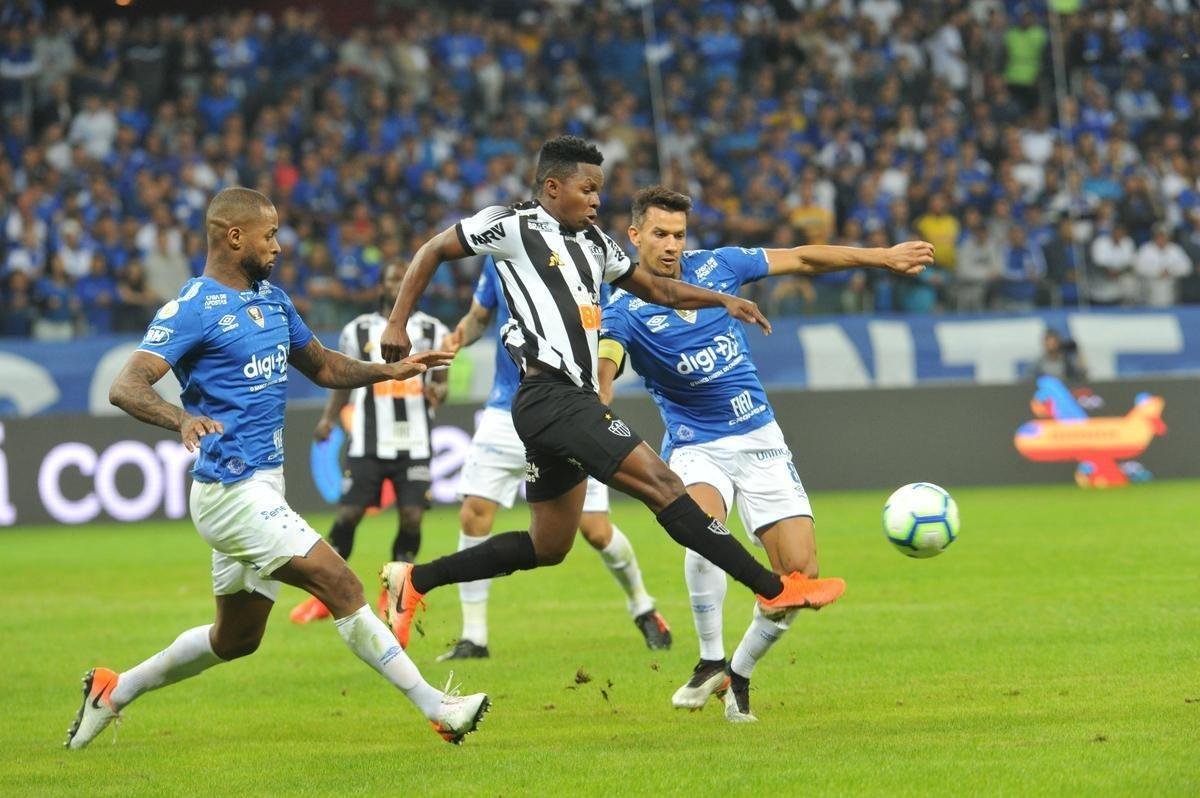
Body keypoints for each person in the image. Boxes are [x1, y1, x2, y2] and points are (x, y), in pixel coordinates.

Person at [377, 135, 846, 662]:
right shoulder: (511, 225)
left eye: (600, 189)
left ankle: (413, 580)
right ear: (553, 188)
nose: (597, 199)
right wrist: (398, 320)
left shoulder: (597, 245)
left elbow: (661, 290)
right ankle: (773, 587)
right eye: (587, 188)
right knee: (666, 486)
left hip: (560, 402)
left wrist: (724, 299)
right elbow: (433, 248)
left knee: (549, 545)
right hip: (549, 395)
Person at [65, 187, 488, 751]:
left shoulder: (273, 301)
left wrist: (393, 371)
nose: (279, 246)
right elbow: (127, 385)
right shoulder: (194, 307)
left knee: (237, 638)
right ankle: (438, 707)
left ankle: (112, 692)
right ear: (234, 237)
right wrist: (180, 419)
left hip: (265, 485)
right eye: (269, 235)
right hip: (229, 491)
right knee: (340, 580)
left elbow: (324, 367)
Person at [597, 185, 932, 723]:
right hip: (694, 442)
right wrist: (601, 395)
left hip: (759, 439)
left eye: (678, 234)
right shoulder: (621, 305)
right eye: (659, 234)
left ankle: (739, 673)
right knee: (703, 529)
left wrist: (883, 257)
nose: (670, 245)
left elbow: (802, 258)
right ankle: (708, 659)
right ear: (634, 236)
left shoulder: (719, 266)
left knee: (799, 580)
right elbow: (607, 355)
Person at [434, 255, 671, 661]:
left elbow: (609, 327)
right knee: (474, 512)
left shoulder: (585, 255)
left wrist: (602, 382)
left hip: (569, 407)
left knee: (596, 530)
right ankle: (474, 637)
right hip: (505, 408)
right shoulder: (500, 256)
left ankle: (643, 606)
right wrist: (453, 343)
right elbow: (478, 316)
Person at [288, 260, 450, 624]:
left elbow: (441, 382)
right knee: (348, 514)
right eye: (394, 277)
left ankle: (394, 595)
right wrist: (329, 419)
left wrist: (439, 389)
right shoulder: (358, 329)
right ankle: (322, 597)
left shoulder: (433, 329)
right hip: (368, 442)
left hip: (415, 443)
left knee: (411, 519)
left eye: (406, 279)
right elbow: (341, 381)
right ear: (382, 285)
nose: (398, 284)